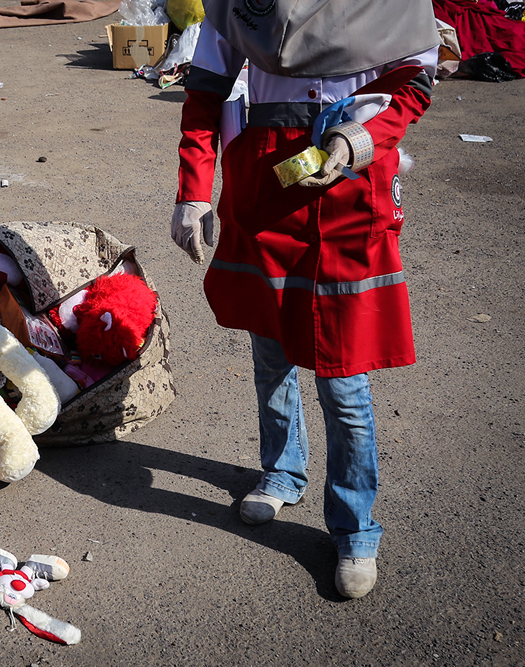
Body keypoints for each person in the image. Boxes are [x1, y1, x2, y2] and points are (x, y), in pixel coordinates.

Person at [171, 0, 439, 598]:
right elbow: (206, 93)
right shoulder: (241, 4)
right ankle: (283, 470)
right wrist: (192, 192)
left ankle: (354, 528)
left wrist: (358, 141)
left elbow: (414, 84)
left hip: (349, 195)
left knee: (342, 381)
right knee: (271, 354)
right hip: (267, 190)